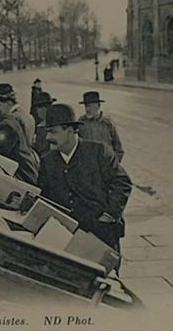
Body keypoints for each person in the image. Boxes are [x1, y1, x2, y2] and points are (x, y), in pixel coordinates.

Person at [37, 104, 132, 260]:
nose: (48, 138)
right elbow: (44, 196)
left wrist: (109, 215)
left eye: (53, 132)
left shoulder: (98, 152)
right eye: (47, 132)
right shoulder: (47, 161)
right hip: (66, 238)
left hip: (102, 234)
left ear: (69, 131)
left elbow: (122, 183)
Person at [77, 91, 125, 162]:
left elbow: (118, 148)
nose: (87, 109)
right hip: (89, 165)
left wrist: (113, 163)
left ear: (98, 106)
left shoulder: (107, 123)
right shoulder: (81, 123)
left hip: (106, 164)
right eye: (86, 106)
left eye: (90, 106)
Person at [32, 91, 56, 156]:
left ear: (44, 109)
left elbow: (40, 149)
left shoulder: (43, 128)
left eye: (37, 109)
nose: (37, 112)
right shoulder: (55, 124)